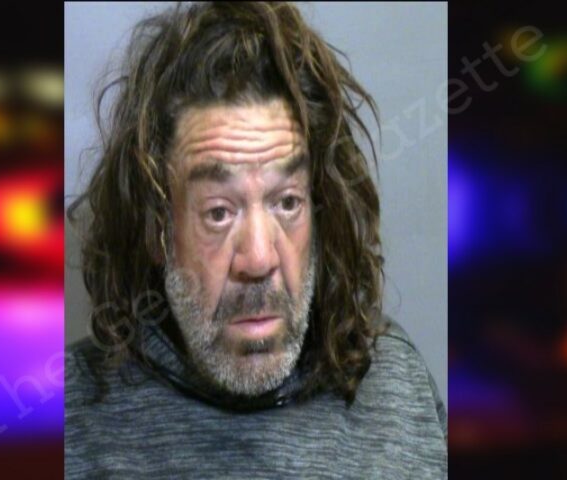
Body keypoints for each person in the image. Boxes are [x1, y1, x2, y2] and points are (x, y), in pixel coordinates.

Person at [66, 2, 447, 478]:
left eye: (287, 202)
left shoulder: (398, 389)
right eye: (219, 212)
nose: (260, 258)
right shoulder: (70, 422)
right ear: (156, 230)